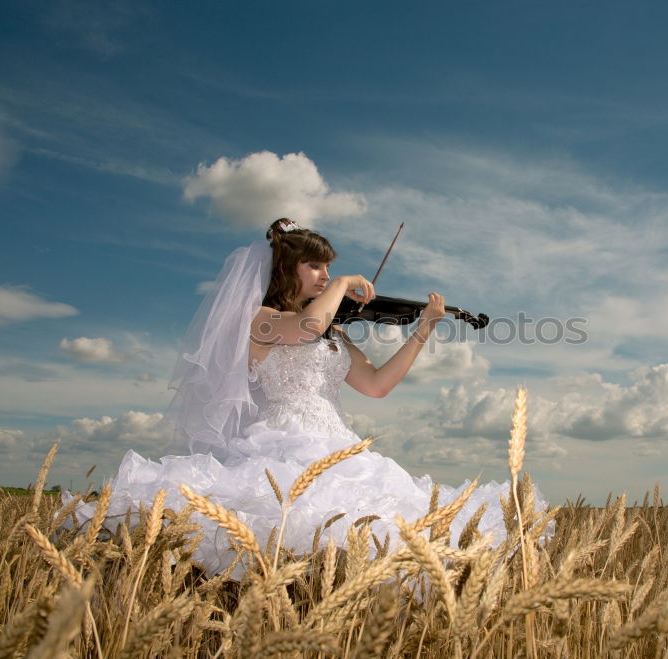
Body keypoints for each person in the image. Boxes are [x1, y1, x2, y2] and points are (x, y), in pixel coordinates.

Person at [65, 218, 548, 577]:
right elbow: (309, 325)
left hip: (337, 444)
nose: (324, 275)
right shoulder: (263, 320)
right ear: (285, 269)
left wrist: (423, 330)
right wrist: (341, 285)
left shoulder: (334, 335)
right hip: (281, 443)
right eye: (314, 266)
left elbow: (377, 386)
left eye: (328, 268)